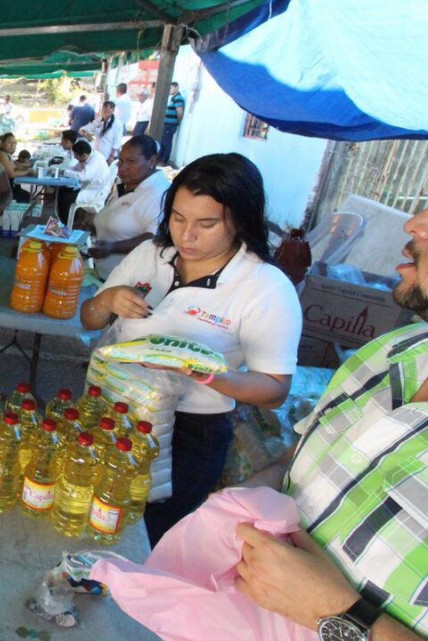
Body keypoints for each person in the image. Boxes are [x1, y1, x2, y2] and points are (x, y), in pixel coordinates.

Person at [80, 153, 301, 546]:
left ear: (241, 220)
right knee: (91, 510)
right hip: (113, 410)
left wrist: (212, 375)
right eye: (179, 218)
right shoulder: (151, 254)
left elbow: (275, 388)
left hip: (189, 434)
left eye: (207, 223)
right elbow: (89, 320)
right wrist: (109, 299)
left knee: (150, 537)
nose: (187, 236)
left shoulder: (264, 287)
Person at [232, 206, 428, 641]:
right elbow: (299, 459)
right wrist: (250, 495)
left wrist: (337, 614)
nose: (415, 223)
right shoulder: (394, 350)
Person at [88, 135, 171, 279]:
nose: (122, 167)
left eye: (131, 161)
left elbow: (154, 238)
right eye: (120, 161)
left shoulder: (158, 193)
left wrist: (112, 248)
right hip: (105, 275)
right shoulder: (127, 185)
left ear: (151, 161)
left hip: (130, 282)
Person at [56, 140, 110, 228]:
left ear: (83, 155)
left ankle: (66, 224)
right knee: (62, 190)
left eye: (76, 156)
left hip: (95, 192)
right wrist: (60, 170)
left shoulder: (96, 160)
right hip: (88, 188)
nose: (75, 158)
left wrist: (65, 172)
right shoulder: (88, 157)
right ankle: (66, 220)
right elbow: (75, 169)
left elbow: (82, 176)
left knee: (66, 197)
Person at [0, 132, 35, 204]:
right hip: (3, 191)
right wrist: (28, 172)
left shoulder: (6, 154)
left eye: (14, 143)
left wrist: (28, 166)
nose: (12, 145)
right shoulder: (0, 154)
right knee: (31, 198)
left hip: (8, 188)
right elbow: (11, 174)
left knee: (30, 197)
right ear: (2, 142)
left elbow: (16, 166)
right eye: (9, 142)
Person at [159, 82, 185, 165]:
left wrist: (177, 122)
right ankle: (160, 158)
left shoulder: (178, 98)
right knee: (163, 141)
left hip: (170, 124)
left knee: (167, 142)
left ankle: (164, 160)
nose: (169, 90)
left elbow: (180, 112)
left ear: (176, 87)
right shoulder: (172, 98)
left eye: (171, 88)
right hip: (167, 123)